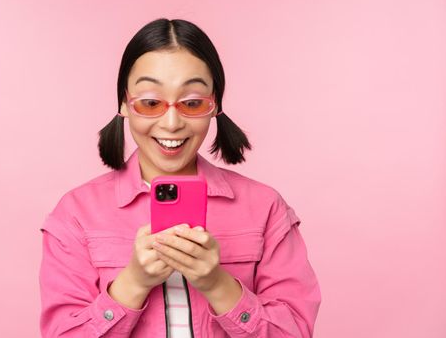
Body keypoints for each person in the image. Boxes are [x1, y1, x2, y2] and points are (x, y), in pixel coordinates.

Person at [39, 18, 321, 338]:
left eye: (192, 103)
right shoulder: (75, 214)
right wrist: (132, 284)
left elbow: (294, 332)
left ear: (215, 105)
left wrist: (217, 284)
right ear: (123, 104)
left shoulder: (266, 207)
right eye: (150, 102)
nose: (171, 123)